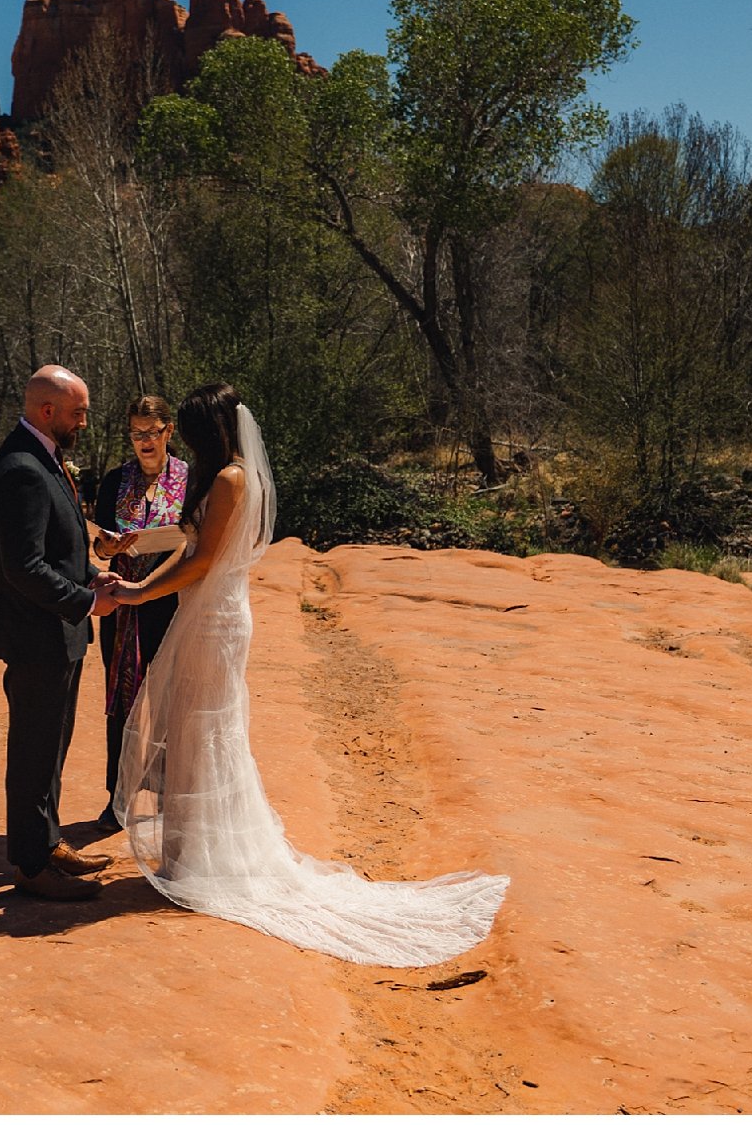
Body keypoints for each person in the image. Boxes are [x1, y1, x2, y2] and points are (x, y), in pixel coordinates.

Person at [108, 382, 509, 966]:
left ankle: (199, 861)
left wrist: (139, 592)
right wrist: (142, 564)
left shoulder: (229, 480)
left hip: (215, 617)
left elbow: (203, 560)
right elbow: (193, 544)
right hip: (210, 612)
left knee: (203, 730)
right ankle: (194, 854)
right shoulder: (231, 476)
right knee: (196, 728)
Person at [0, 365, 126, 902]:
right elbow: (24, 566)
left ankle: (49, 840)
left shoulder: (45, 458)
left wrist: (92, 575)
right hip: (36, 634)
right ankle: (32, 865)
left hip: (57, 633)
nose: (84, 422)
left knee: (52, 746)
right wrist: (88, 602)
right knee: (33, 750)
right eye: (78, 413)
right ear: (48, 412)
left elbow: (58, 550)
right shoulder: (21, 467)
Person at [90, 396, 187, 834]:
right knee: (123, 707)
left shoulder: (188, 479)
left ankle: (169, 796)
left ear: (169, 431)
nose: (144, 442)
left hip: (171, 605)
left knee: (171, 705)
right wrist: (106, 549)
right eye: (136, 433)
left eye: (152, 432)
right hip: (123, 609)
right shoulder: (114, 481)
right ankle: (117, 799)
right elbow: (99, 544)